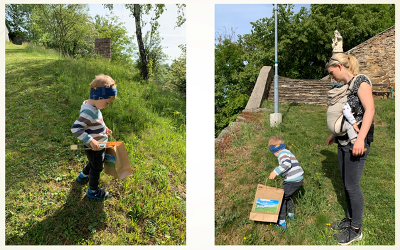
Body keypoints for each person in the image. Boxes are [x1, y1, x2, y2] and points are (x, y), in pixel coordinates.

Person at [325, 53, 375, 245]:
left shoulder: (360, 81)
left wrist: (361, 139)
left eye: (332, 73)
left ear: (339, 66)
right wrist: (334, 134)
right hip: (344, 141)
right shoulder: (348, 87)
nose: (332, 77)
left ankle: (356, 229)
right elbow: (349, 115)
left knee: (353, 186)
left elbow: (369, 110)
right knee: (346, 184)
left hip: (357, 143)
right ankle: (349, 219)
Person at [71, 74, 117, 201]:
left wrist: (104, 128)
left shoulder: (92, 106)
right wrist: (91, 140)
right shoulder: (89, 112)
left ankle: (83, 176)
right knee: (97, 167)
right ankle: (93, 191)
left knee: (93, 162)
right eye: (107, 102)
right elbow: (75, 129)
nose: (108, 105)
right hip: (95, 147)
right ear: (99, 97)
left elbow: (97, 120)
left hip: (98, 145)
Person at [268, 136, 304, 230]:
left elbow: (287, 164)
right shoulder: (287, 151)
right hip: (298, 179)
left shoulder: (282, 154)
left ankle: (281, 222)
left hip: (292, 180)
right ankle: (291, 214)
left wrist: (275, 172)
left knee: (281, 198)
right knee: (288, 195)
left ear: (275, 151)